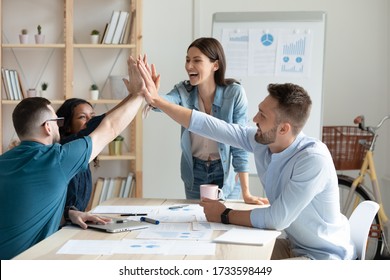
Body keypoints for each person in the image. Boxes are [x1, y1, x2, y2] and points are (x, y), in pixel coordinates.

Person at [137, 59, 356, 260]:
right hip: (294, 245)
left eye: (263, 115)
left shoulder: (312, 159)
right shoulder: (263, 141)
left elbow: (277, 219)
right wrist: (157, 101)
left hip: (323, 257)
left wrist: (224, 214)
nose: (254, 119)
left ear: (284, 128)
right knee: (221, 259)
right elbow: (209, 125)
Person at [0, 55, 145, 260]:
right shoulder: (56, 160)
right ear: (48, 127)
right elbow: (110, 128)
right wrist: (140, 93)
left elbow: (22, 210)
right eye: (57, 120)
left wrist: (68, 214)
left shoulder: (4, 161)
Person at [146, 37, 265, 204]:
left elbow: (240, 143)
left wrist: (246, 192)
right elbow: (163, 104)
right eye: (187, 60)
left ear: (215, 65)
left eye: (196, 60)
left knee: (225, 223)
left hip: (224, 172)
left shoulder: (234, 93)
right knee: (196, 221)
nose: (188, 66)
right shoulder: (183, 91)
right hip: (195, 171)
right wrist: (152, 96)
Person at [56, 98, 103, 212]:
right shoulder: (66, 147)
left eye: (92, 116)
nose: (90, 121)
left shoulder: (85, 150)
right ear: (67, 126)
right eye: (82, 117)